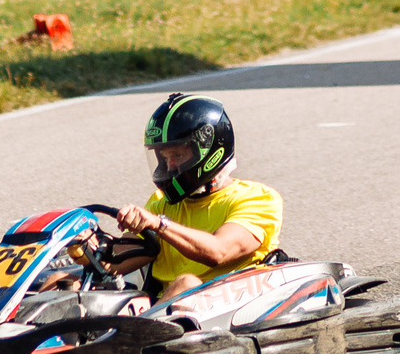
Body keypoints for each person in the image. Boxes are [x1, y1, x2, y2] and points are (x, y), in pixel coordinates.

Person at [115, 93, 281, 305]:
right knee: (76, 277)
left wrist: (159, 225)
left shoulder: (257, 198)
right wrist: (86, 247)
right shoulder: (161, 203)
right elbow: (118, 261)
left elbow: (218, 251)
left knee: (186, 284)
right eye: (164, 157)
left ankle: (141, 327)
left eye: (178, 155)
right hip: (165, 308)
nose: (170, 167)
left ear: (209, 152)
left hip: (231, 305)